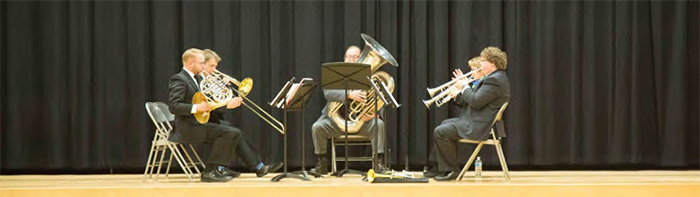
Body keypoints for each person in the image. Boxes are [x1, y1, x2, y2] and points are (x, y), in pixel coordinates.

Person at [168, 48, 281, 182]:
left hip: (199, 123)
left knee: (233, 131)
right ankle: (211, 171)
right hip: (188, 127)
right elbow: (174, 106)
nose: (203, 66)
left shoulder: (197, 79)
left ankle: (254, 167)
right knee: (229, 133)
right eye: (201, 63)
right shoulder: (179, 79)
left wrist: (224, 101)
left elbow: (209, 105)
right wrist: (198, 107)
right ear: (190, 63)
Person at [426, 47, 510, 181]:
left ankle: (451, 170)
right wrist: (458, 95)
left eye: (483, 61)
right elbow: (474, 101)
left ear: (492, 63)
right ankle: (436, 167)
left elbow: (475, 101)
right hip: (477, 119)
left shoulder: (494, 80)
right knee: (444, 124)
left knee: (441, 131)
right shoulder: (495, 78)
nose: (481, 64)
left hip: (480, 125)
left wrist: (464, 86)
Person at [310, 46, 387, 175]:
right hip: (336, 123)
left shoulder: (371, 78)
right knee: (317, 127)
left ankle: (378, 163)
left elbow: (380, 97)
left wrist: (376, 113)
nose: (352, 59)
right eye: (349, 57)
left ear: (361, 59)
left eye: (355, 57)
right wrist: (348, 95)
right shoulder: (336, 76)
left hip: (362, 122)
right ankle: (321, 163)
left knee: (379, 125)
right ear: (344, 59)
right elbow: (328, 93)